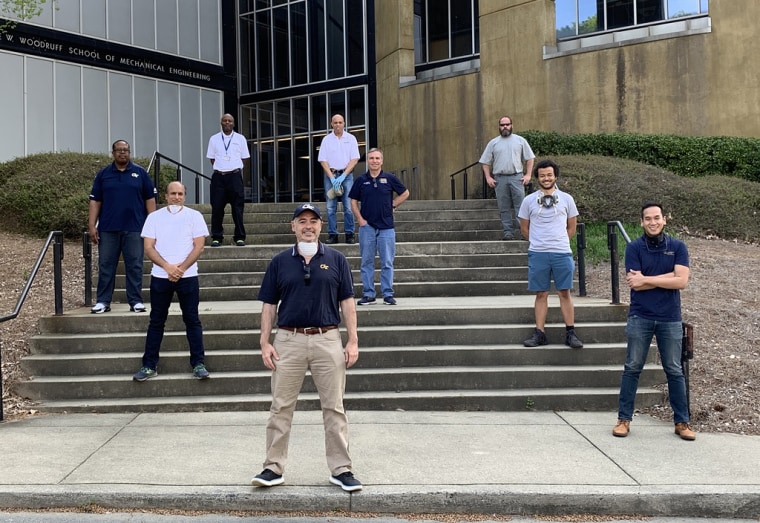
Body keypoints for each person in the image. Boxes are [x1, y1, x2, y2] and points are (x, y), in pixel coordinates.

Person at [251, 203, 362, 492]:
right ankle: (273, 468)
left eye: (313, 221)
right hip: (289, 341)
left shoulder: (336, 260)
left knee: (334, 408)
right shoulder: (279, 262)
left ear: (321, 226)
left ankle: (341, 469)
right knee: (280, 407)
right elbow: (268, 305)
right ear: (293, 226)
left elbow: (348, 302)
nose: (308, 226)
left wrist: (352, 340)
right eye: (302, 221)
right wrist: (265, 342)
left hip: (327, 339)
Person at [613, 202, 695, 441]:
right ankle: (623, 419)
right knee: (632, 367)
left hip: (670, 317)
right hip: (640, 316)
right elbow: (634, 283)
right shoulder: (634, 248)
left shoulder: (678, 247)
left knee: (674, 370)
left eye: (656, 217)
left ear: (664, 219)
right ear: (641, 222)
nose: (653, 222)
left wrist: (648, 279)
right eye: (648, 218)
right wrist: (668, 276)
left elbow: (681, 282)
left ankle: (682, 422)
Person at [132, 181, 210, 382]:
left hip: (188, 276)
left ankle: (198, 364)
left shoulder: (195, 216)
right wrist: (168, 267)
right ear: (165, 196)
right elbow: (148, 247)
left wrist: (181, 269)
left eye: (180, 193)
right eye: (173, 193)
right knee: (156, 321)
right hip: (160, 277)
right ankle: (149, 365)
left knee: (192, 320)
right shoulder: (154, 218)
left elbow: (199, 246)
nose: (176, 197)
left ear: (185, 195)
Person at [518, 159, 583, 349]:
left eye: (549, 175)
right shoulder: (528, 201)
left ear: (555, 176)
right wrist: (540, 242)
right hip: (538, 253)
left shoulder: (567, 199)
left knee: (565, 292)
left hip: (562, 252)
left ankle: (570, 332)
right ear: (537, 177)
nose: (546, 178)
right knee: (541, 293)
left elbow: (571, 227)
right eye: (542, 175)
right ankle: (540, 333)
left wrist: (558, 242)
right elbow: (524, 229)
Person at [88, 140, 157, 314]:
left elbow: (150, 199)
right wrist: (91, 225)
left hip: (135, 228)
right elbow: (95, 200)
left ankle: (135, 301)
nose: (122, 153)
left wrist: (153, 224)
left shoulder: (140, 173)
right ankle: (103, 301)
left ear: (129, 152)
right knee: (106, 265)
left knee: (134, 265)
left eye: (125, 150)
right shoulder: (103, 174)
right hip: (108, 228)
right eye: (119, 150)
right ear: (113, 153)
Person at [349, 148, 410, 306]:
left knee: (387, 262)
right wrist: (360, 219)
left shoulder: (390, 178)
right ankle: (369, 294)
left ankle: (387, 294)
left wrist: (394, 204)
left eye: (377, 158)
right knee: (366, 262)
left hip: (386, 228)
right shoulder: (361, 180)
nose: (374, 161)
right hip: (367, 227)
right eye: (371, 158)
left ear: (382, 161)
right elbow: (353, 201)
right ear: (367, 161)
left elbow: (405, 193)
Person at [480, 116, 536, 240]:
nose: (505, 127)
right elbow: (485, 162)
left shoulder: (520, 140)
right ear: (499, 127)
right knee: (503, 207)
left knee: (521, 207)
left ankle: (524, 233)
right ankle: (508, 233)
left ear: (512, 125)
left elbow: (530, 158)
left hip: (517, 178)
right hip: (499, 179)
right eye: (502, 125)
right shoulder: (493, 143)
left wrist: (528, 175)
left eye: (507, 124)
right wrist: (488, 177)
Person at [206, 113, 250, 247]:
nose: (227, 123)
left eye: (230, 121)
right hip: (219, 177)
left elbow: (244, 158)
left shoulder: (240, 138)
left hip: (235, 176)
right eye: (224, 120)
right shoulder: (214, 139)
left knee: (237, 208)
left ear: (233, 123)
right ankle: (217, 237)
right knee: (217, 208)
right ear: (221, 123)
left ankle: (239, 237)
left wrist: (233, 167)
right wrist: (222, 168)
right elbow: (212, 158)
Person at [318, 114, 360, 244]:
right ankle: (333, 234)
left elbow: (355, 159)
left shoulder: (351, 138)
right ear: (331, 124)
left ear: (344, 123)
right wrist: (331, 177)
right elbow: (322, 160)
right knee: (331, 207)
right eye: (335, 123)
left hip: (346, 176)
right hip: (330, 175)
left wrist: (343, 176)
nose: (337, 125)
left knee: (348, 206)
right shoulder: (326, 140)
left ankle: (349, 234)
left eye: (340, 122)